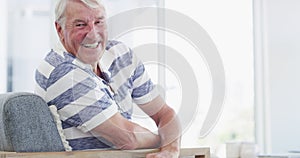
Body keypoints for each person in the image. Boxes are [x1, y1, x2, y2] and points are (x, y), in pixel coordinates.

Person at [34, 0, 181, 157]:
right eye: (80, 25)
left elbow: (165, 114)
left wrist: (170, 150)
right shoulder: (62, 71)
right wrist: (165, 139)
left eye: (98, 22)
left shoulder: (122, 56)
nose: (92, 34)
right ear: (59, 29)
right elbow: (127, 138)